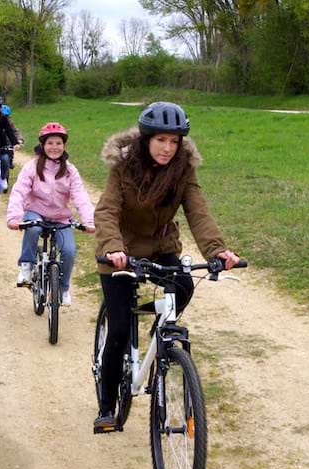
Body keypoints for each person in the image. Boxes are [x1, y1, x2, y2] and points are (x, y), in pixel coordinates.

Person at [93, 101, 240, 429]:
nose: (168, 148)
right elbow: (106, 211)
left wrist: (217, 251)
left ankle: (157, 326)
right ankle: (106, 405)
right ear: (146, 139)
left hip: (161, 247)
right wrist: (113, 247)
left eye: (175, 141)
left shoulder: (183, 168)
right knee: (117, 329)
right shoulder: (124, 165)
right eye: (161, 140)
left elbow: (198, 211)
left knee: (184, 285)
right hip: (121, 251)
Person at [6, 122, 95, 306]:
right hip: (36, 212)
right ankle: (26, 267)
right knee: (33, 228)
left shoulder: (70, 170)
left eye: (58, 143)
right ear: (42, 145)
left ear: (64, 146)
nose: (54, 147)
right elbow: (19, 191)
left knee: (69, 251)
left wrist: (89, 221)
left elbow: (80, 196)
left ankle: (62, 289)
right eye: (50, 143)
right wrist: (14, 217)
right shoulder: (32, 167)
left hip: (61, 217)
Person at [1, 104, 25, 169]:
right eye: (3, 115)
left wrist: (20, 139)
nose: (5, 118)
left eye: (6, 116)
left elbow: (15, 131)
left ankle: (10, 162)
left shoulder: (10, 122)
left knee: (10, 154)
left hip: (8, 143)